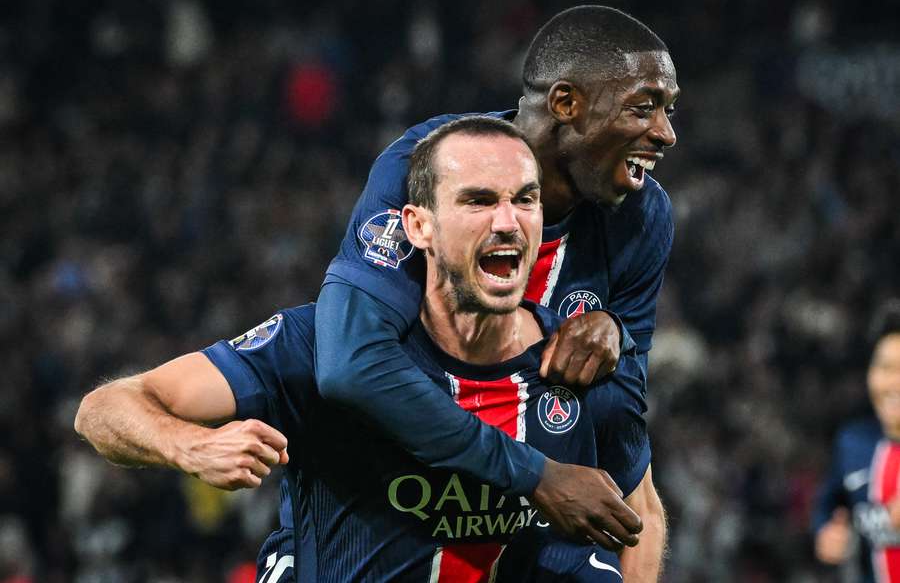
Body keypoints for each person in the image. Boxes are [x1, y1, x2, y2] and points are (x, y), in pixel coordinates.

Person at [75, 117, 663, 582]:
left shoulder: (583, 367)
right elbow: (106, 409)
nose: (507, 221)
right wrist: (193, 446)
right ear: (417, 226)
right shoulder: (319, 347)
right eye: (478, 201)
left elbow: (643, 517)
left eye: (525, 199)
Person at [314, 4, 677, 545]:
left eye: (669, 110)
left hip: (520, 538)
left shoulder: (641, 216)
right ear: (565, 103)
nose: (666, 133)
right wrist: (535, 476)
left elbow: (621, 435)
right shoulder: (428, 166)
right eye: (643, 109)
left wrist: (617, 334)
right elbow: (351, 365)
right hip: (381, 519)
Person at [813, 301, 900, 582]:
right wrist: (826, 533)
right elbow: (826, 508)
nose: (894, 383)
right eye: (885, 367)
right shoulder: (853, 444)